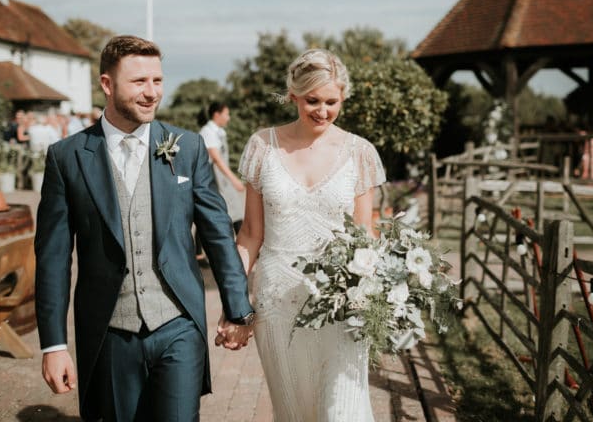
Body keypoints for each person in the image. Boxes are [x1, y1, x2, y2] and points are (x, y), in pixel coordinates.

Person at [34, 35, 254, 421]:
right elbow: (52, 258)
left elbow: (218, 232)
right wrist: (53, 345)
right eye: (139, 82)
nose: (152, 92)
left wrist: (238, 311)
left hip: (179, 324)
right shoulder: (66, 157)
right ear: (106, 84)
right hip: (110, 332)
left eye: (157, 80)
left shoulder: (186, 147)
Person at [232, 49, 386, 421]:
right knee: (293, 412)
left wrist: (380, 298)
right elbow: (251, 234)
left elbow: (366, 236)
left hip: (344, 304)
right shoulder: (262, 146)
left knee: (342, 412)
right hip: (277, 301)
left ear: (343, 98)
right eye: (312, 100)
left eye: (331, 101)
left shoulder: (359, 153)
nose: (322, 110)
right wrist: (234, 302)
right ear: (293, 96)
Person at [199, 102, 245, 234]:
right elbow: (216, 159)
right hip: (215, 177)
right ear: (216, 114)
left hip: (222, 178)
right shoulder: (207, 132)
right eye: (226, 114)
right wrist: (234, 180)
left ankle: (199, 252)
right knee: (229, 210)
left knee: (232, 209)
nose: (228, 118)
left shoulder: (220, 132)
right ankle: (242, 247)